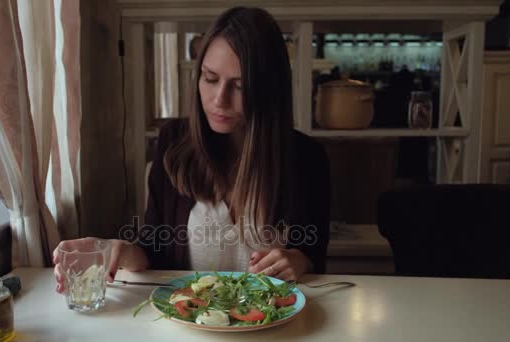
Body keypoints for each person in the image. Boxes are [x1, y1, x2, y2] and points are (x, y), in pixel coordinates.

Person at [54, 7, 330, 293]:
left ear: (269, 91)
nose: (219, 99)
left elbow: (315, 260)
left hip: (274, 328)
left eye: (239, 86)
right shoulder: (172, 142)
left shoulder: (308, 159)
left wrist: (299, 260)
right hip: (191, 323)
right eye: (210, 78)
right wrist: (118, 249)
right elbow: (154, 250)